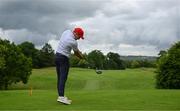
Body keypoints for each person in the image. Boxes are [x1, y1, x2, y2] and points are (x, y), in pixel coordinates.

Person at [55, 27, 84, 105]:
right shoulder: (73, 42)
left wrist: (79, 52)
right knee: (63, 78)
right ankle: (61, 97)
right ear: (76, 34)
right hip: (63, 59)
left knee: (59, 77)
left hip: (57, 56)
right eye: (79, 37)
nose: (79, 39)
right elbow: (76, 53)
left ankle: (61, 96)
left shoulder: (66, 32)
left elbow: (75, 50)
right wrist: (82, 57)